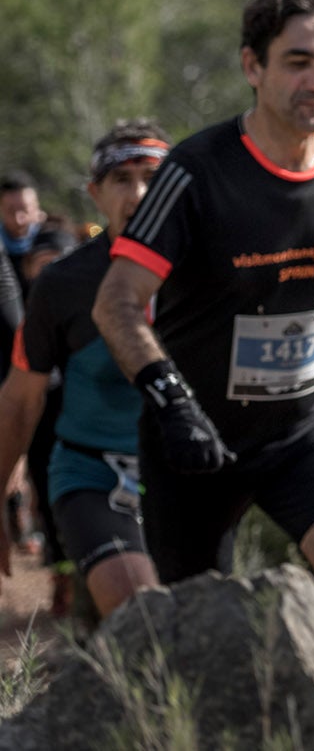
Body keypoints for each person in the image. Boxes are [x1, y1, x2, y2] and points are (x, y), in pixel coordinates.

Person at [93, 0, 314, 604]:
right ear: (252, 66)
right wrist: (171, 402)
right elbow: (117, 302)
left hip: (302, 432)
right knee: (194, 629)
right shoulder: (194, 171)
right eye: (298, 61)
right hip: (196, 440)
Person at [0, 121, 169, 620]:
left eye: (152, 177)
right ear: (96, 193)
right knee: (136, 605)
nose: (138, 193)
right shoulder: (64, 282)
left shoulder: (210, 272)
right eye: (122, 179)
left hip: (185, 474)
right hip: (94, 469)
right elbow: (19, 399)